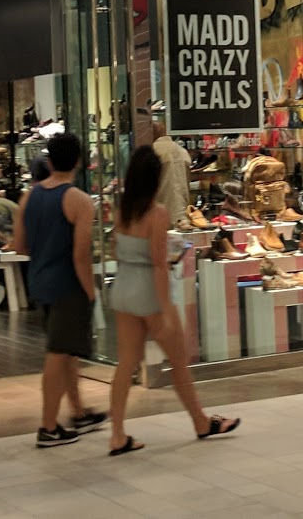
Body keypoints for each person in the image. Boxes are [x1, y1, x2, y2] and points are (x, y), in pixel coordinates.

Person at [103, 146, 238, 455]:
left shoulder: (122, 210)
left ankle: (117, 434)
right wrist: (165, 310)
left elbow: (114, 250)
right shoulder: (157, 213)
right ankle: (201, 422)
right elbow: (158, 265)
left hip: (123, 287)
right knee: (178, 361)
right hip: (148, 292)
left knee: (126, 364)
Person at [12, 134, 107, 447]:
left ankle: (78, 412)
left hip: (39, 281)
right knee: (57, 353)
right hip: (68, 284)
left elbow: (20, 245)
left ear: (49, 161)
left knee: (65, 352)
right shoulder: (80, 200)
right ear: (78, 160)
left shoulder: (29, 196)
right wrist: (90, 290)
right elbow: (81, 254)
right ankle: (48, 426)